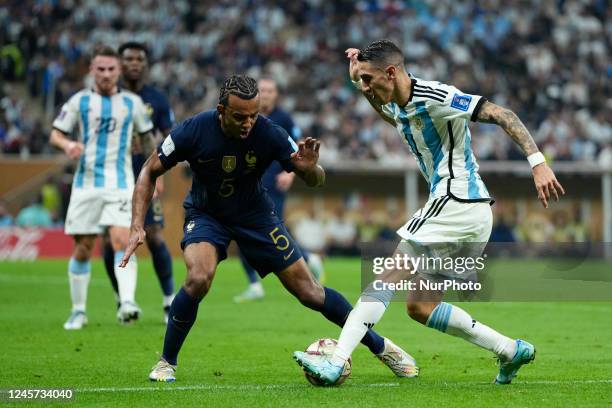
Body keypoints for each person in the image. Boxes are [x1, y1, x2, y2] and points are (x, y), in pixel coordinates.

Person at [294, 40, 565, 385]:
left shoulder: (437, 96)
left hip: (456, 202)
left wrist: (538, 163)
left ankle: (336, 360)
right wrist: (358, 84)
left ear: (391, 72)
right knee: (421, 306)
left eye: (368, 79)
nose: (365, 86)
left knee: (387, 274)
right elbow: (393, 116)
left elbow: (502, 114)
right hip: (474, 216)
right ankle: (511, 349)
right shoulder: (401, 104)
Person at [120, 74, 418, 382]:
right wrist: (136, 225)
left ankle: (382, 347)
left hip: (256, 216)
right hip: (207, 214)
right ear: (221, 111)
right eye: (239, 117)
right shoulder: (194, 129)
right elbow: (148, 171)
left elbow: (315, 179)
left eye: (254, 115)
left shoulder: (270, 133)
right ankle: (167, 362)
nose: (248, 123)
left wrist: (310, 168)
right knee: (198, 278)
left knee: (310, 292)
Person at [50, 45, 154, 330]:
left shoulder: (132, 103)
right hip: (86, 184)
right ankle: (78, 311)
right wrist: (68, 144)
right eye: (101, 69)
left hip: (120, 184)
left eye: (111, 69)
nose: (106, 74)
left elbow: (148, 142)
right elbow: (55, 134)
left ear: (118, 71)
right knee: (83, 247)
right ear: (91, 70)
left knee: (122, 239)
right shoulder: (79, 102)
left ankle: (128, 302)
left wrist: (153, 178)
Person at [101, 42, 175, 323]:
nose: (134, 63)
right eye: (128, 58)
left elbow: (171, 139)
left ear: (145, 64)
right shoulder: (108, 97)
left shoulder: (156, 98)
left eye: (139, 59)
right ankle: (123, 300)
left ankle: (169, 300)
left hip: (146, 176)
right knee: (110, 243)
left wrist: (161, 174)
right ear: (120, 63)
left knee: (155, 237)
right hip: (111, 179)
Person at [234, 77, 324, 303]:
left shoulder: (283, 119)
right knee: (240, 234)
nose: (265, 94)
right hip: (246, 185)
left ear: (276, 95)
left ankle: (306, 259)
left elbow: (297, 150)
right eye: (262, 90)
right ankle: (255, 285)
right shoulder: (245, 116)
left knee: (273, 233)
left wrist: (289, 173)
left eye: (270, 90)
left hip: (273, 185)